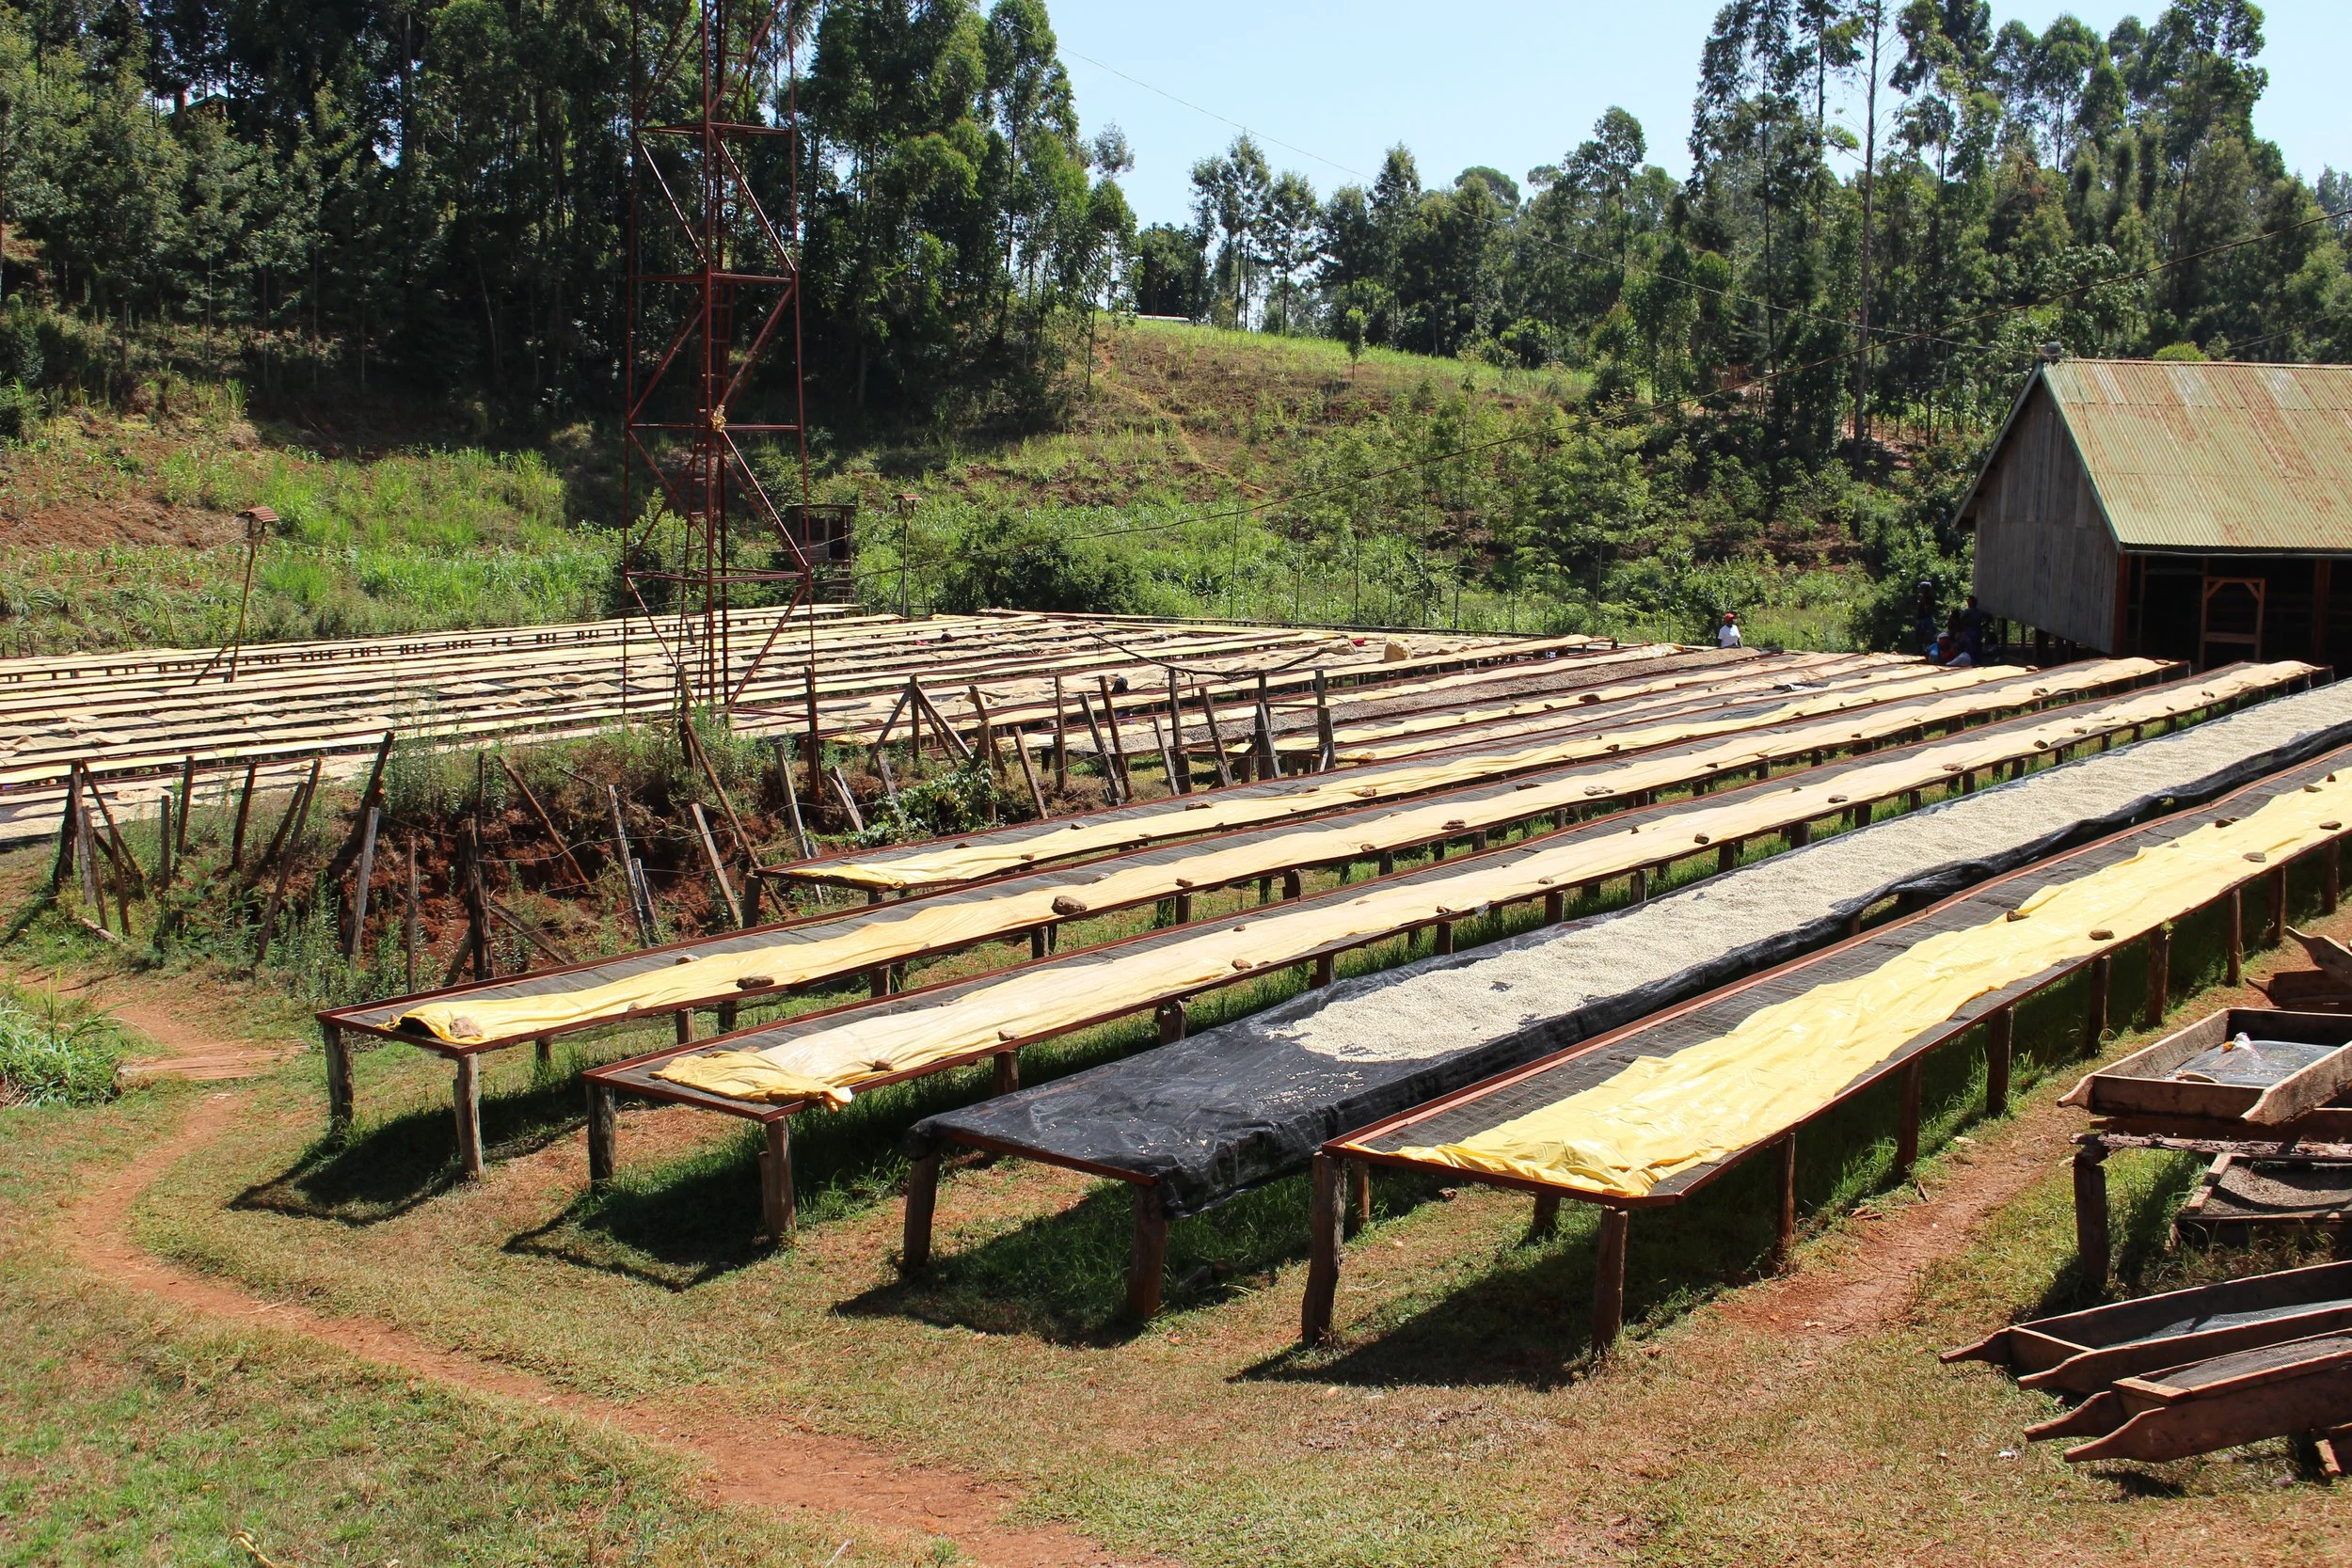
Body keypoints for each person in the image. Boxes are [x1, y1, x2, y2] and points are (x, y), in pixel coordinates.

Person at [1914, 580, 1940, 657]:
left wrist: (1926, 606)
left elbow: (1929, 610)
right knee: (1918, 635)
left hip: (1926, 619)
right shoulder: (1922, 598)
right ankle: (1920, 649)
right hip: (1921, 619)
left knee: (1928, 635)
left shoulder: (1929, 599)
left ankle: (1928, 650)